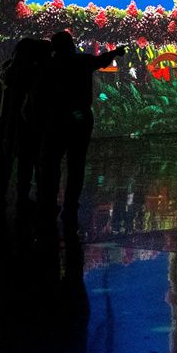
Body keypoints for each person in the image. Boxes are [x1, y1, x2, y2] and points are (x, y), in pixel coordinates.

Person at [37, 32, 125, 231]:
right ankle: (70, 205)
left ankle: (49, 202)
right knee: (76, 164)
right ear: (70, 45)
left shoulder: (49, 65)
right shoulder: (81, 61)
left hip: (56, 119)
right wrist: (116, 52)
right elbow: (101, 61)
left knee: (52, 162)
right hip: (80, 118)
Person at [0, 38, 51, 216]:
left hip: (7, 121)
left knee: (5, 160)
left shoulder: (6, 69)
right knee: (26, 162)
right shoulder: (34, 72)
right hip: (25, 124)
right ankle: (23, 197)